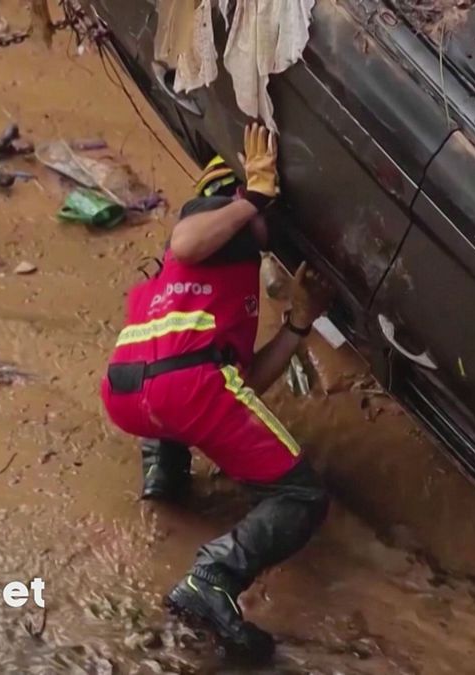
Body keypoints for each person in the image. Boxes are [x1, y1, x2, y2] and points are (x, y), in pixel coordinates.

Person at [100, 123, 333, 662]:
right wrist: (253, 195)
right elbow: (187, 235)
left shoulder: (191, 281)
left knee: (197, 395)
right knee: (302, 496)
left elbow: (242, 385)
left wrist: (297, 326)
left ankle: (166, 475)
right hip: (186, 389)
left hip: (130, 397)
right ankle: (214, 576)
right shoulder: (206, 234)